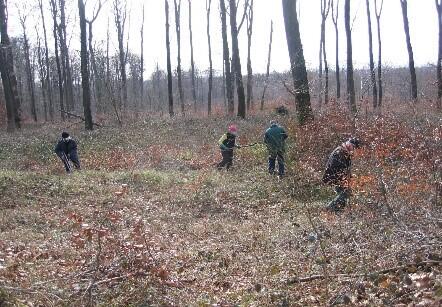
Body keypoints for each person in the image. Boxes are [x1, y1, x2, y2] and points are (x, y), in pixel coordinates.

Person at [322, 137, 361, 212]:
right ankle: (329, 209)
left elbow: (346, 168)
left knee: (345, 194)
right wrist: (345, 178)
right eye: (354, 147)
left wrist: (349, 177)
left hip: (339, 178)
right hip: (334, 177)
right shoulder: (339, 152)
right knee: (345, 193)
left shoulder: (345, 152)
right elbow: (336, 167)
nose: (354, 150)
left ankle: (337, 211)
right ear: (350, 145)